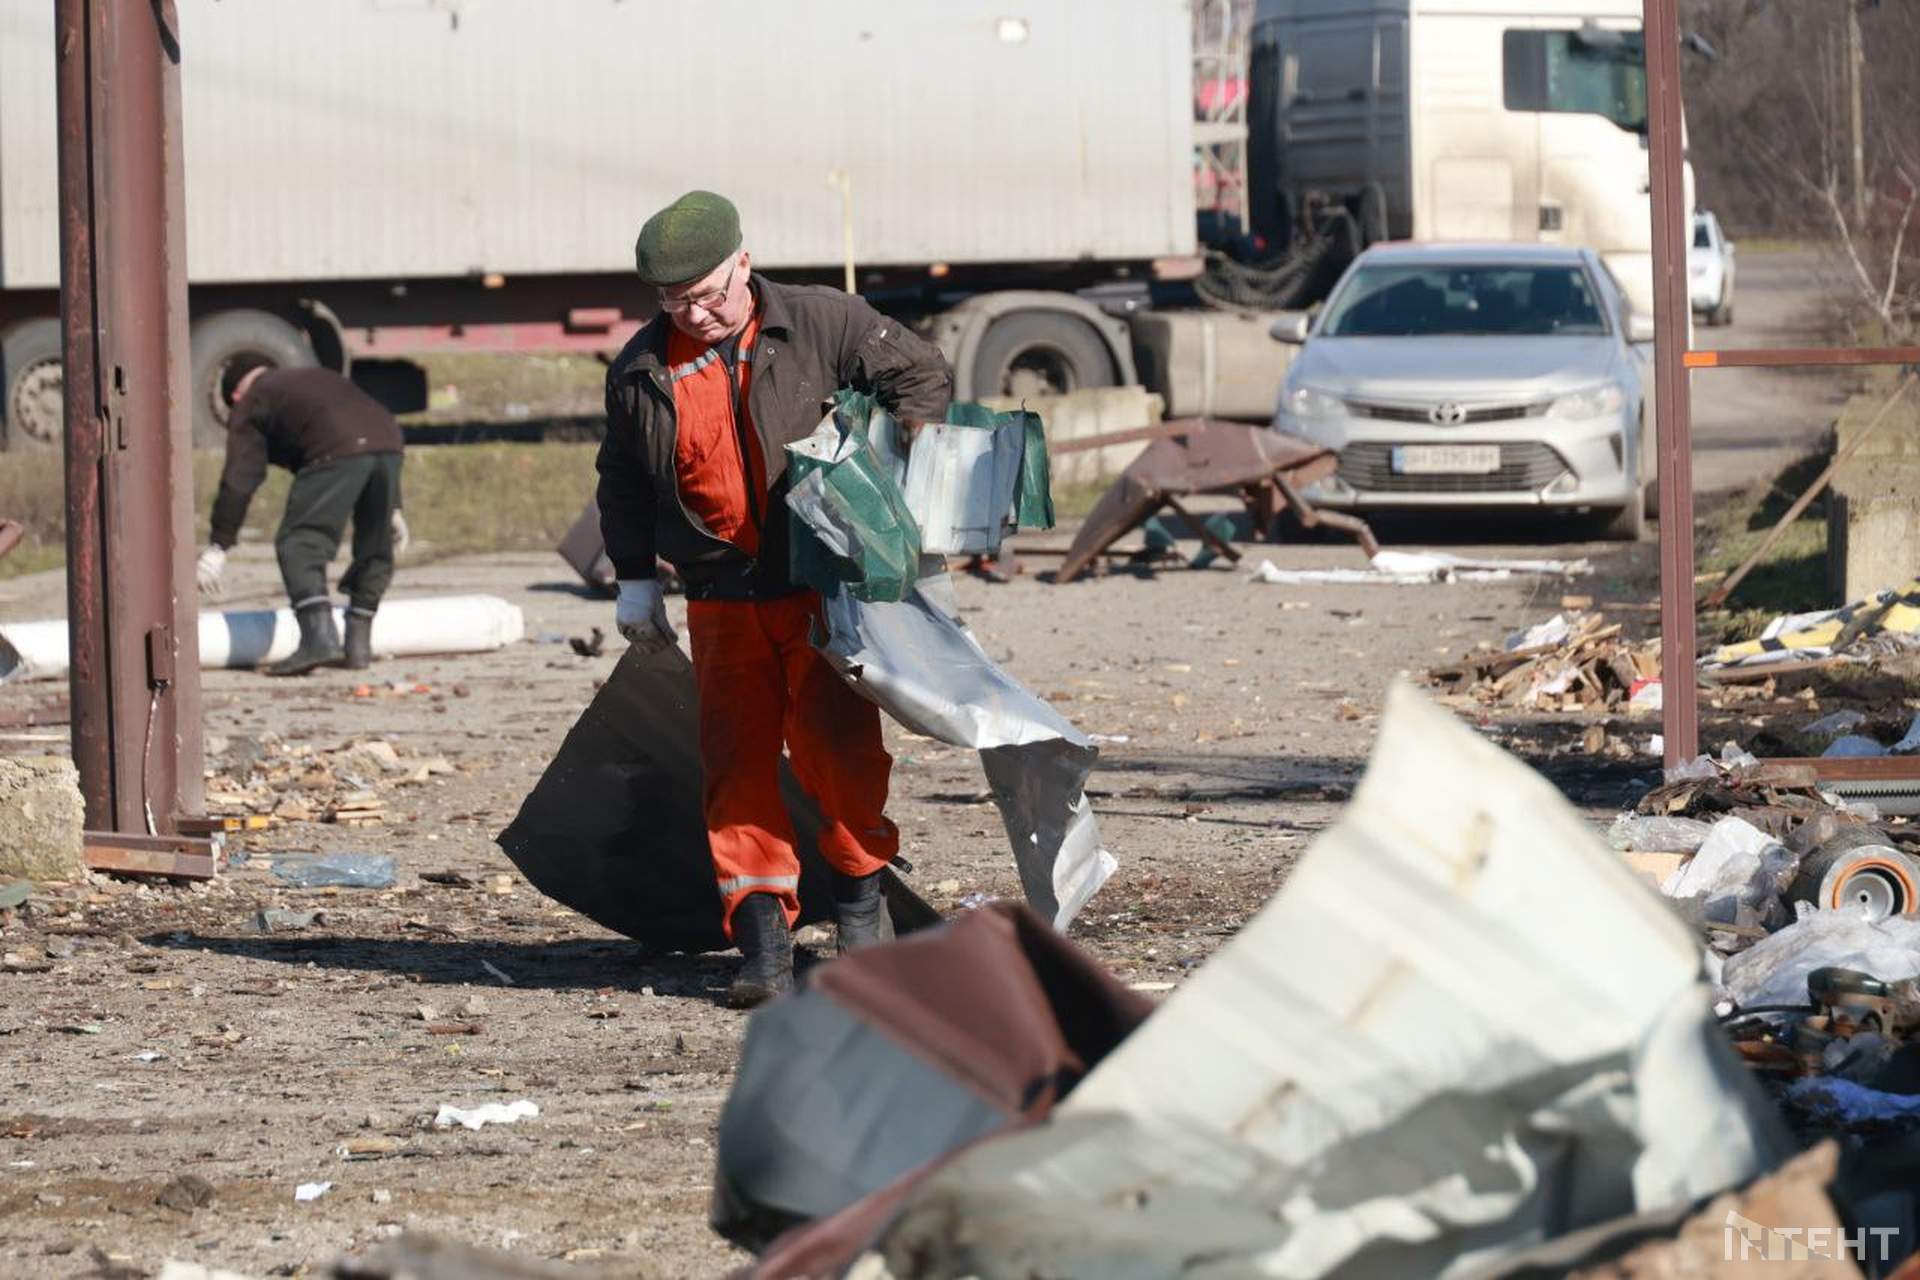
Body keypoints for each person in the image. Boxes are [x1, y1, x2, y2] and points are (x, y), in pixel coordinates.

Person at [597, 190, 952, 1008]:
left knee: (840, 756)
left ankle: (863, 925)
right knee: (736, 767)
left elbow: (920, 375)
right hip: (720, 597)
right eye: (676, 300)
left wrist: (884, 467)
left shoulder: (822, 321)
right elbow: (620, 479)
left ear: (743, 265)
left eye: (710, 294)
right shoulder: (642, 367)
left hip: (820, 588)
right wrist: (635, 579)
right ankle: (763, 948)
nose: (699, 313)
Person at [195, 365, 408, 677]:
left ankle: (318, 639)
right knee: (376, 546)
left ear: (235, 394)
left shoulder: (253, 398)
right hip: (389, 442)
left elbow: (240, 478)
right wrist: (392, 507)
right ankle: (358, 645)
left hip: (337, 449)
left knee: (300, 542)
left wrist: (219, 545)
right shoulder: (311, 377)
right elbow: (361, 419)